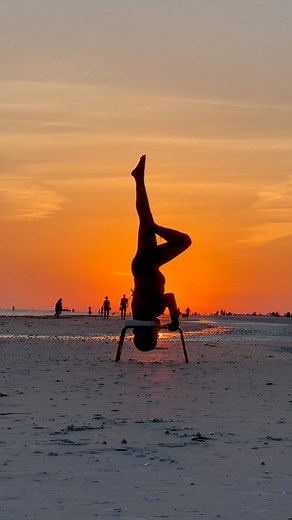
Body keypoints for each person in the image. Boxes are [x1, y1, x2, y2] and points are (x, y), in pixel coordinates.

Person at [130, 155, 191, 351]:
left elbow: (169, 297)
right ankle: (139, 179)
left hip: (147, 264)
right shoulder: (140, 314)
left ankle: (152, 224)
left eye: (155, 336)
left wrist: (174, 318)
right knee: (145, 218)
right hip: (146, 265)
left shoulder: (149, 311)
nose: (158, 333)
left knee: (182, 240)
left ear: (149, 333)